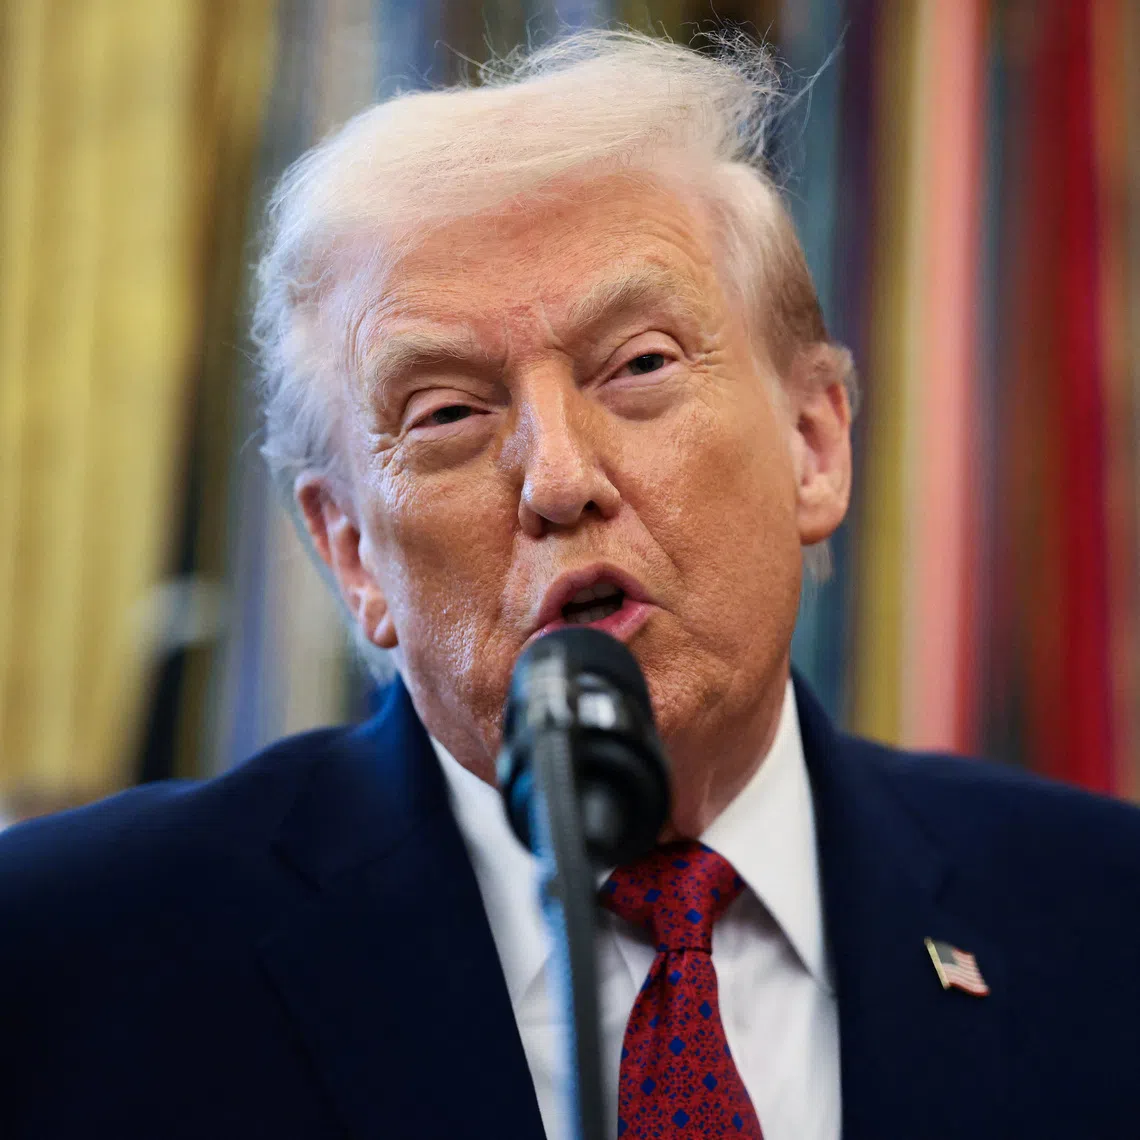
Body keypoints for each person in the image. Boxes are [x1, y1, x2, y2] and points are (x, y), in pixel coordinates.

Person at [1, 30, 1138, 1140]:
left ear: (814, 443)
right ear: (351, 552)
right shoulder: (60, 959)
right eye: (445, 413)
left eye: (639, 365)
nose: (557, 476)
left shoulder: (1103, 918)